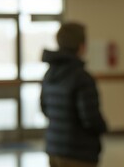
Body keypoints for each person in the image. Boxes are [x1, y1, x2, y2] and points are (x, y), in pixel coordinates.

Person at [41, 22, 107, 167]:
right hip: (79, 153)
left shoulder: (49, 74)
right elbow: (90, 118)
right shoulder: (82, 77)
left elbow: (44, 108)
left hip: (54, 148)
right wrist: (103, 127)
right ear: (82, 46)